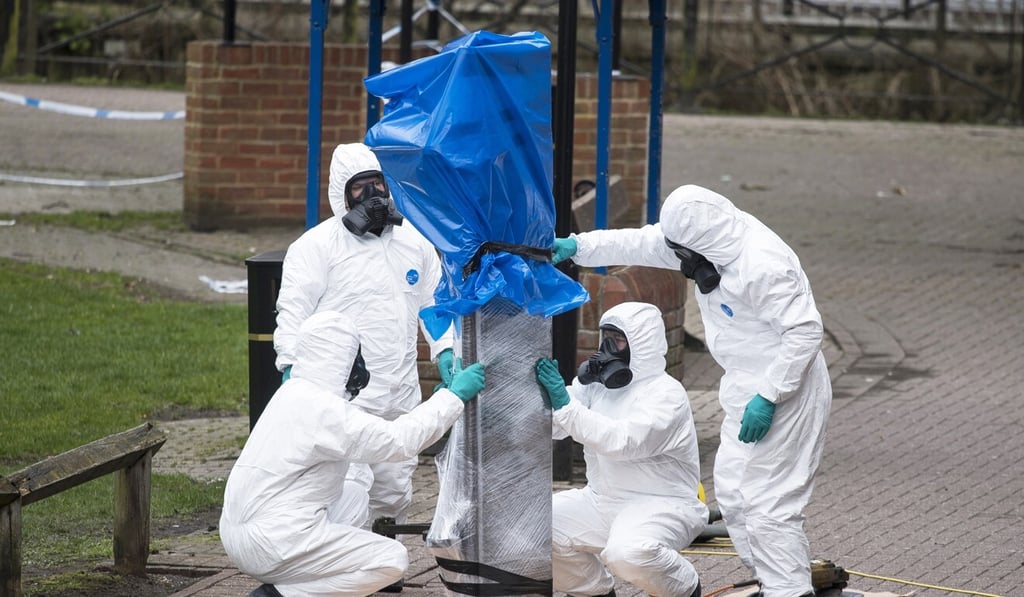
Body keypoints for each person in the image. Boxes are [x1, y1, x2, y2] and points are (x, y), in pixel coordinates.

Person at [551, 184, 831, 597]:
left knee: (769, 503)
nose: (678, 261)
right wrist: (577, 247)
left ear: (705, 246)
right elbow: (641, 242)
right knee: (735, 495)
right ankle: (774, 582)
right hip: (745, 385)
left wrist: (770, 395)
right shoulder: (701, 240)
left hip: (788, 388)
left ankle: (788, 590)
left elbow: (805, 332)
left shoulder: (763, 264)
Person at [221, 310, 486, 597]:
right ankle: (281, 594)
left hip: (242, 531)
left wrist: (435, 407)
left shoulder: (292, 393)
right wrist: (452, 397)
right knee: (391, 559)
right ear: (340, 358)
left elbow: (364, 435)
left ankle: (306, 575)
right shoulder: (323, 410)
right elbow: (398, 441)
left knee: (355, 493)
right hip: (270, 543)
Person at [273, 142, 457, 530]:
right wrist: (289, 365)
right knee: (350, 485)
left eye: (378, 184)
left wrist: (446, 351)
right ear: (342, 193)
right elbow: (292, 311)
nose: (373, 195)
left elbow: (434, 305)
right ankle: (344, 564)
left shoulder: (416, 242)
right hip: (346, 395)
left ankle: (382, 560)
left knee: (394, 487)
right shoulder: (315, 248)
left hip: (401, 389)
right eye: (360, 188)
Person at [534, 301, 707, 597]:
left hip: (663, 504)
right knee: (535, 529)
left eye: (617, 340)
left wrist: (564, 404)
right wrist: (540, 400)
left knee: (627, 553)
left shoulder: (666, 395)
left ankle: (685, 589)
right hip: (603, 499)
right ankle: (594, 592)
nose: (607, 348)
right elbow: (559, 427)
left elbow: (621, 442)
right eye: (606, 338)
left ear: (641, 344)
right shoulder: (598, 385)